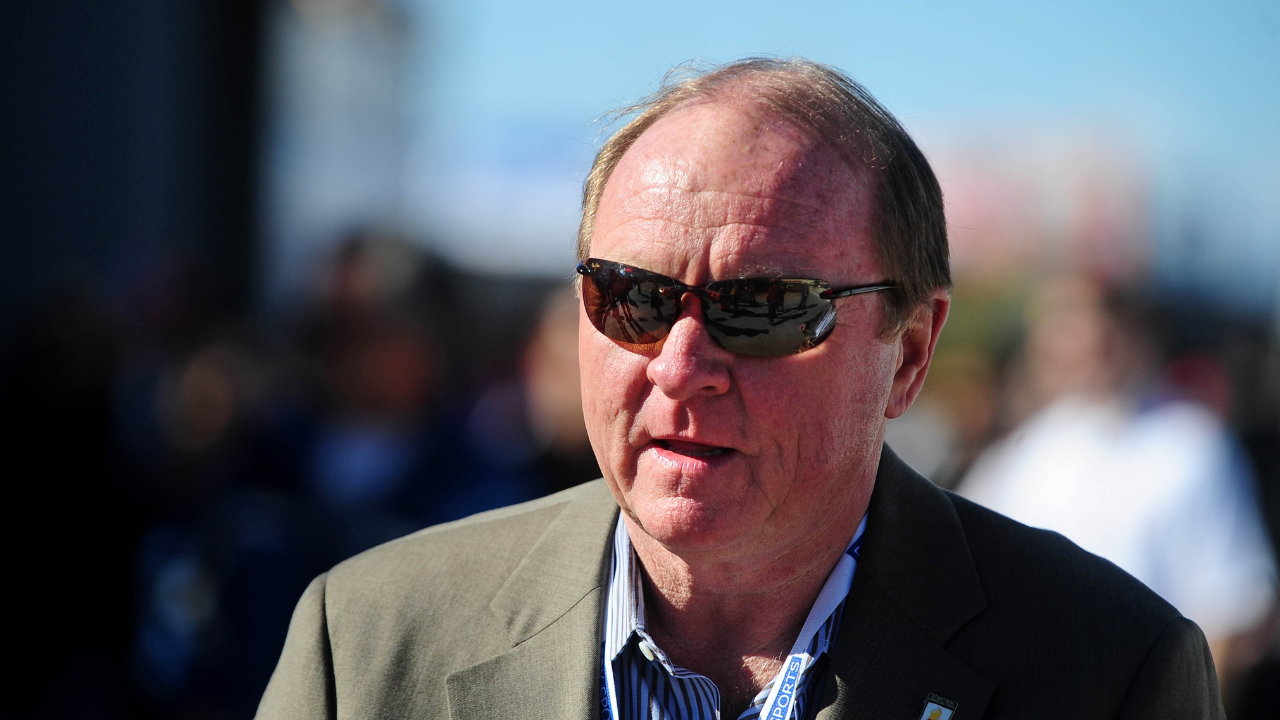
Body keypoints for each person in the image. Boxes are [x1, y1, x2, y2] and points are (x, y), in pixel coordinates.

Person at [256, 58, 1224, 720]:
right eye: (631, 298)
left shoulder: (1105, 671)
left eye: (762, 309)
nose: (679, 365)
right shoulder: (371, 639)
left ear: (909, 354)